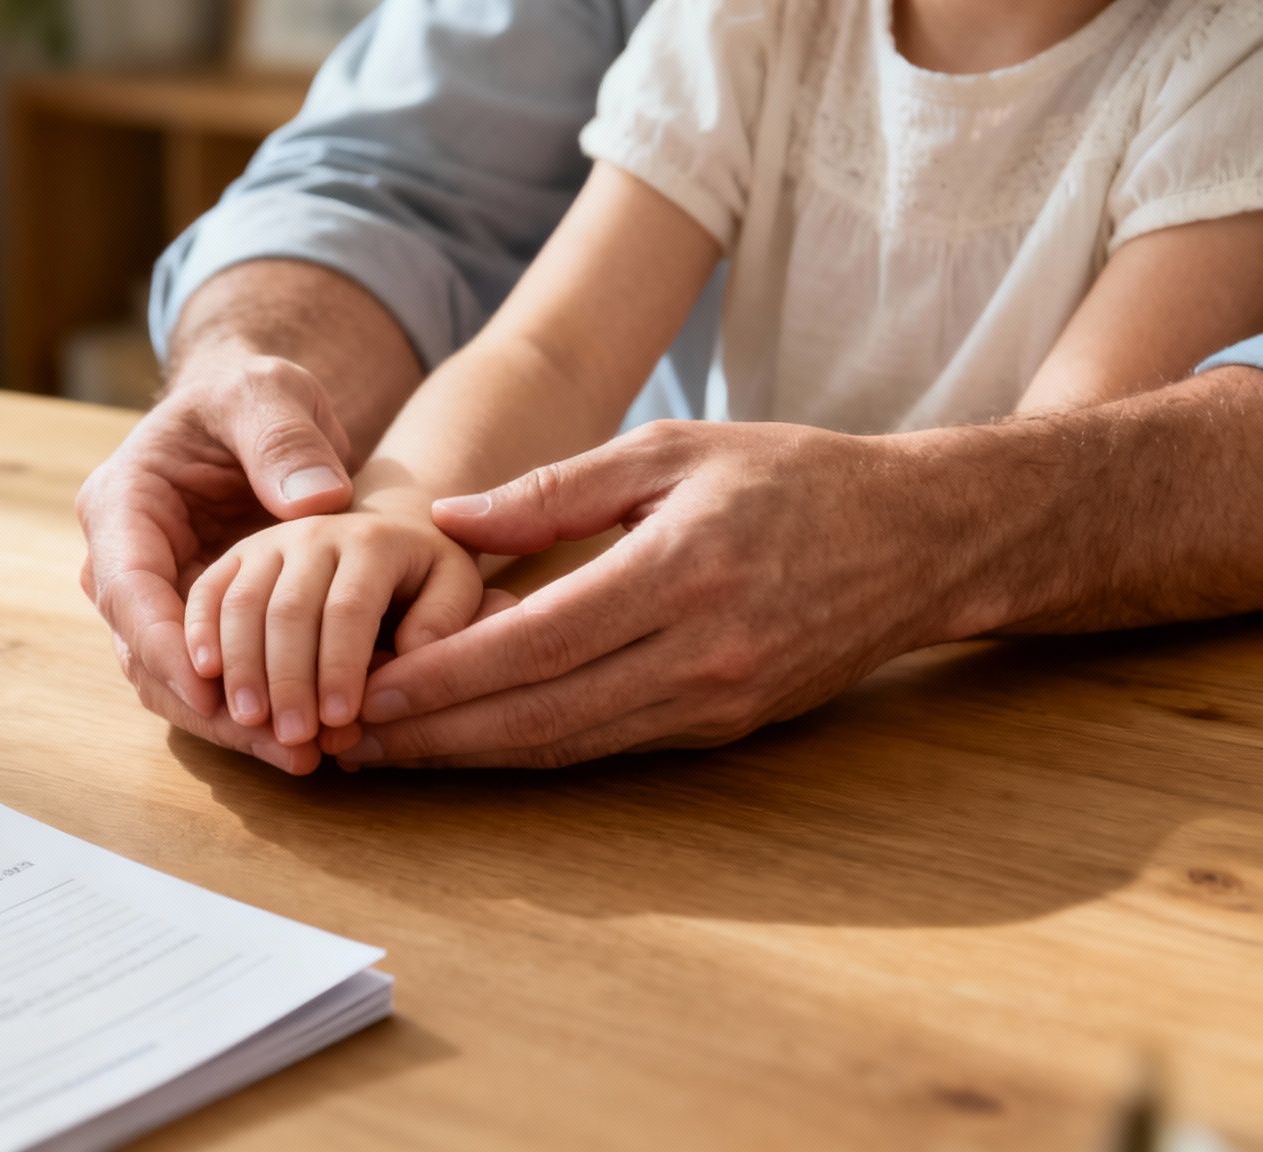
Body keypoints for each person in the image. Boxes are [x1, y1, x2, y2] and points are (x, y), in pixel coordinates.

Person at [76, 0, 1263, 774]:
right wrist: (392, 518)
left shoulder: (1226, 60)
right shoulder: (747, 19)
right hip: (712, 712)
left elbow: (1049, 464)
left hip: (993, 722)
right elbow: (552, 351)